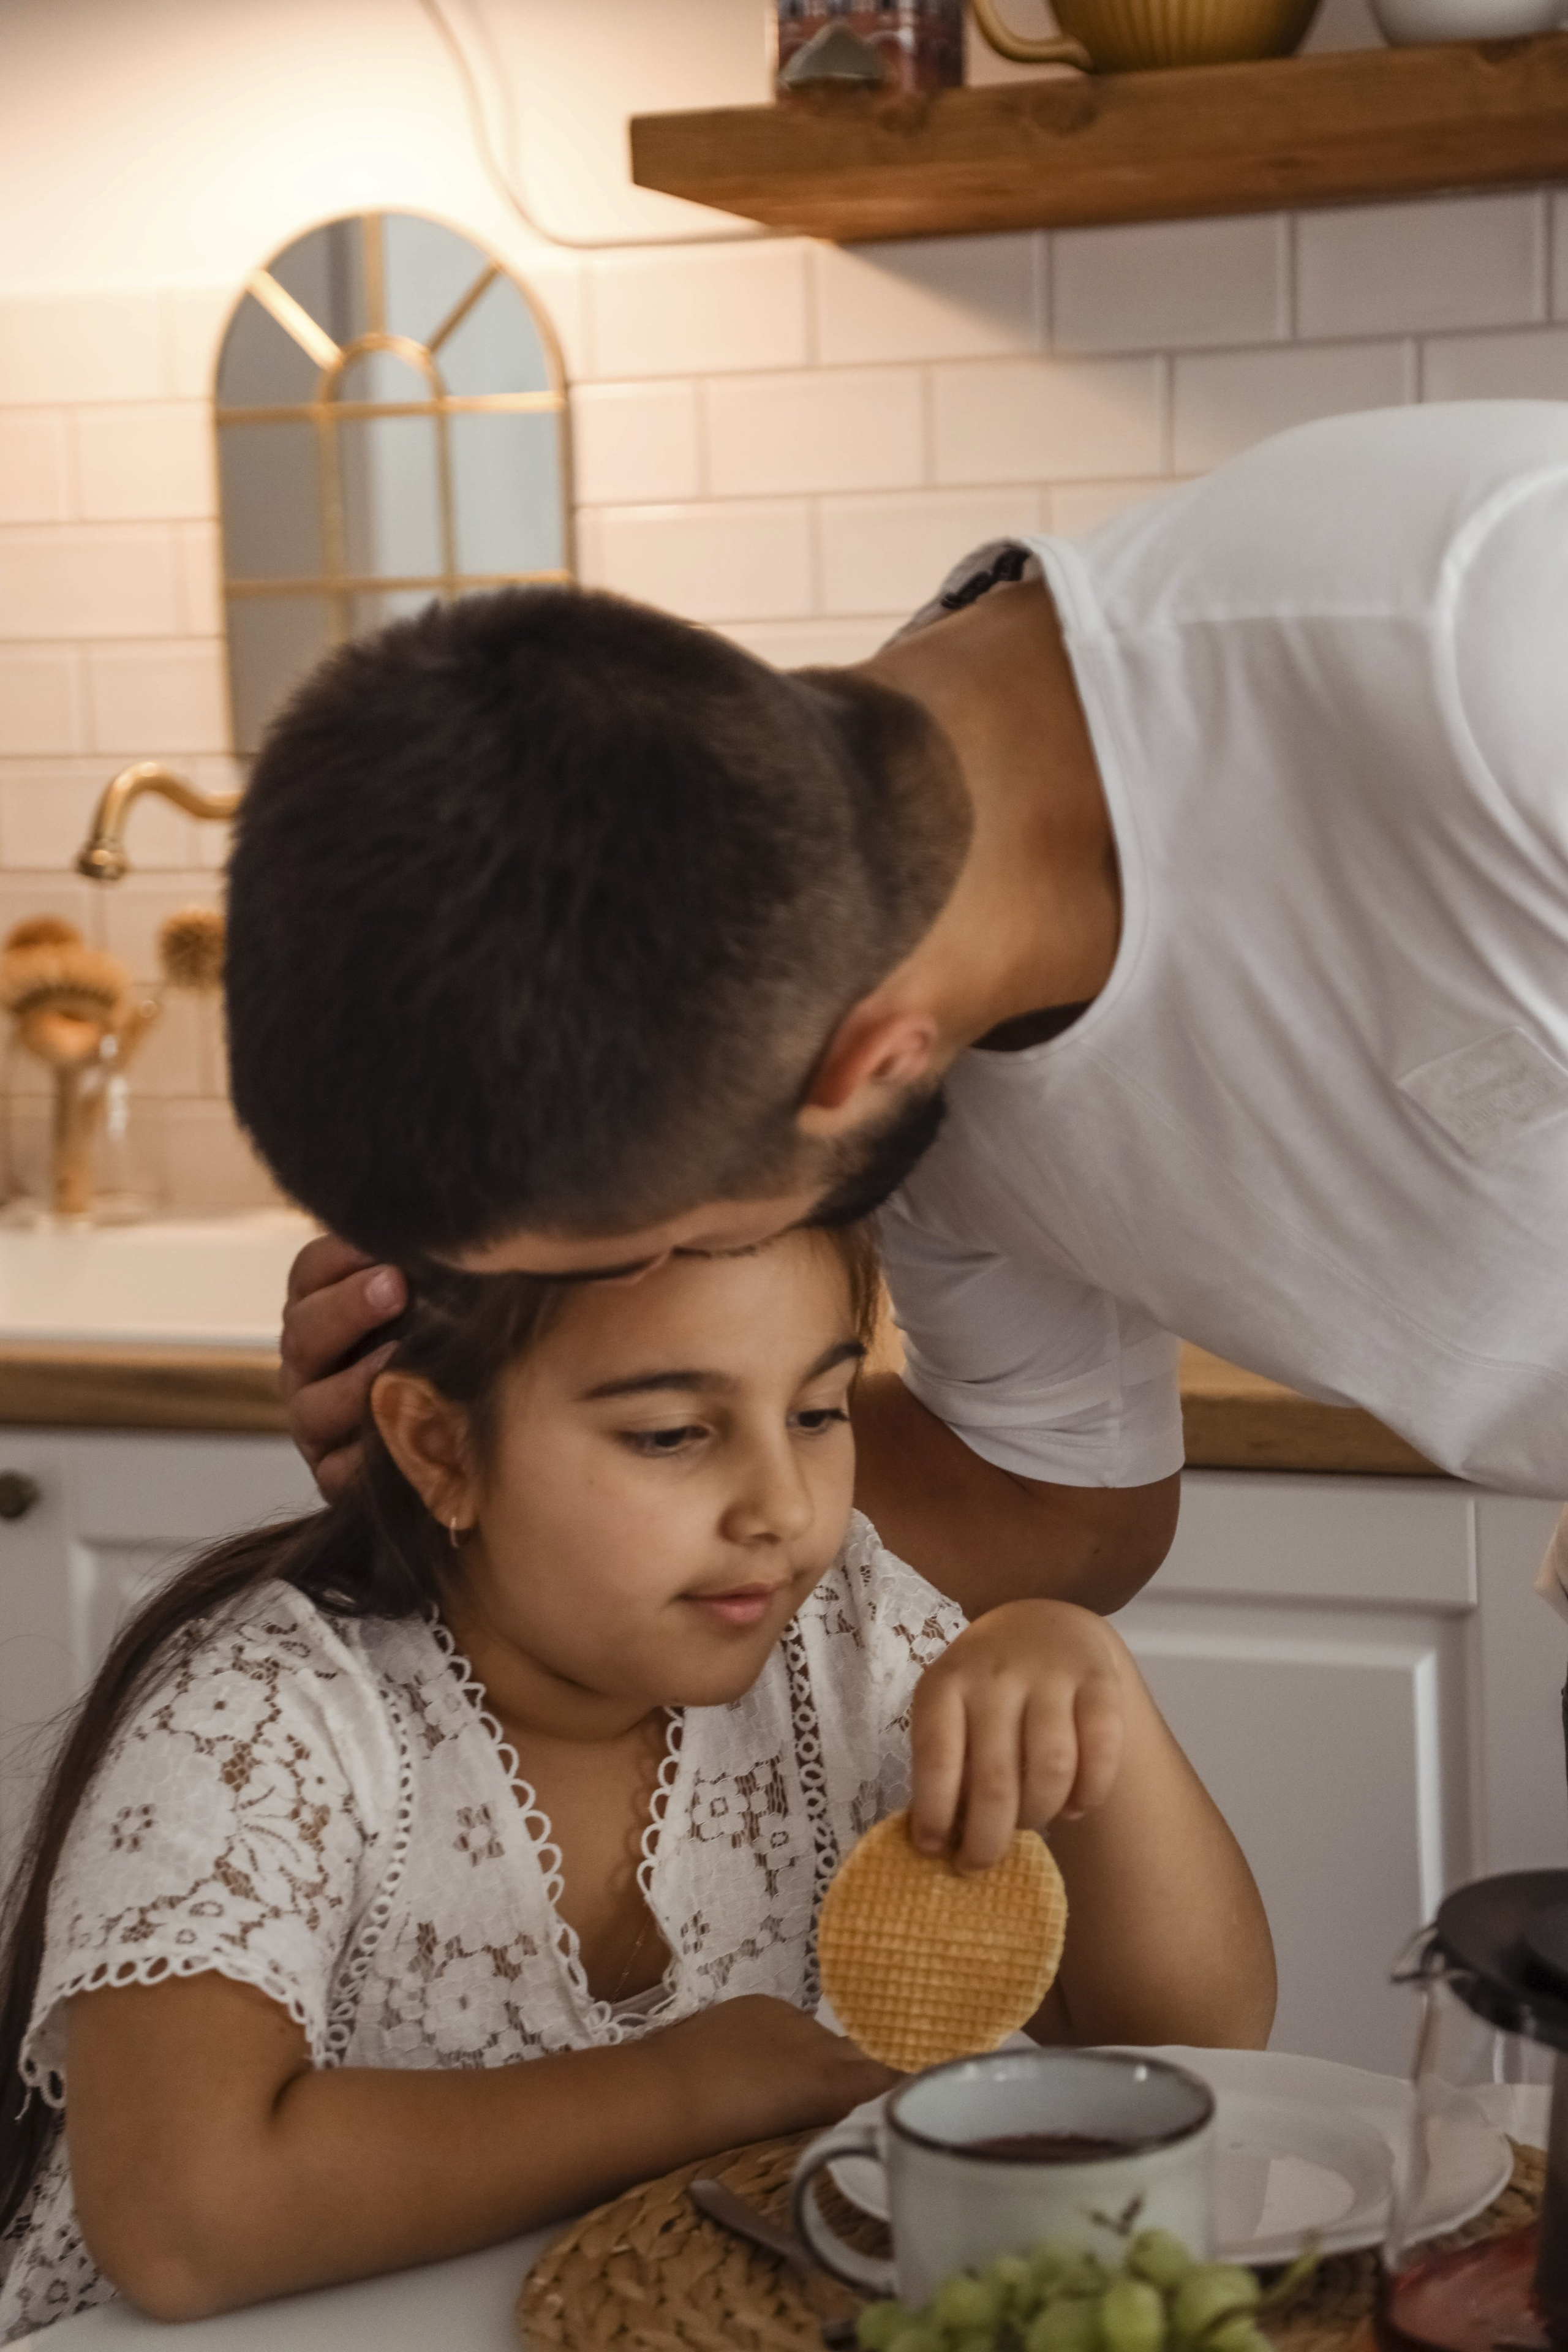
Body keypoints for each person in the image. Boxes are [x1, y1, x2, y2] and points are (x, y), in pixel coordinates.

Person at [244, 401, 1568, 1624]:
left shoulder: (1485, 632)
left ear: (862, 1063)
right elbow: (1061, 1516)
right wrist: (495, 1470)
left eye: (662, 1241)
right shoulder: (883, 1000)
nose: (657, 1286)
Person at [0, 1224, 1273, 2340]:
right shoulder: (265, 1724)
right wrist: (692, 2086)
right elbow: (181, 2222)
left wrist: (1083, 1672)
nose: (779, 1505)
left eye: (820, 1411)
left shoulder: (843, 1640)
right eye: (671, 1434)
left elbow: (1195, 2034)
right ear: (439, 1448)